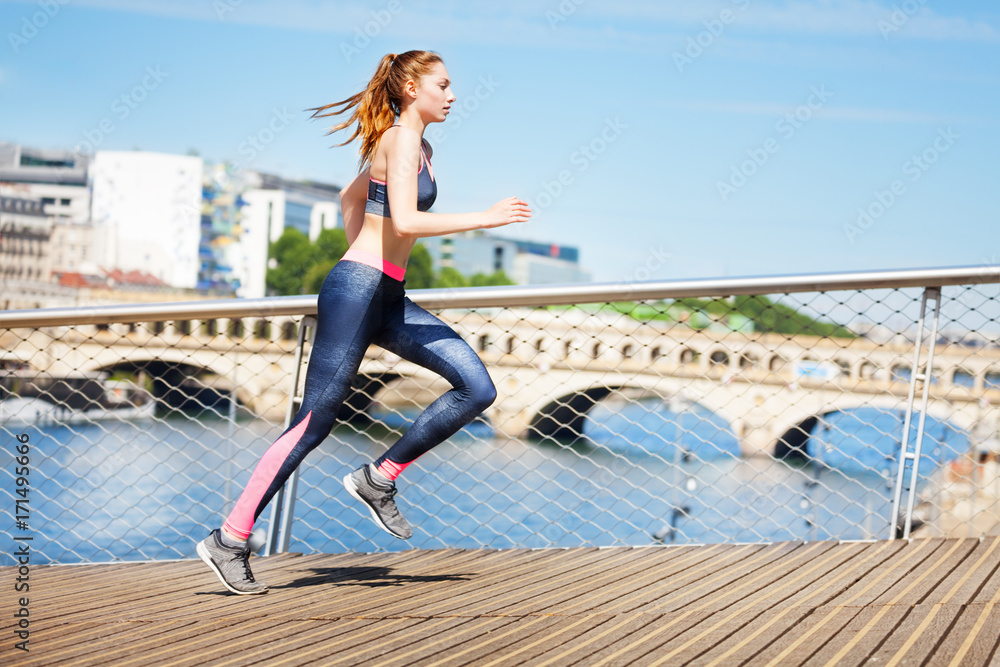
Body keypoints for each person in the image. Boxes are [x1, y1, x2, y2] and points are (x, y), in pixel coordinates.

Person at [197, 50, 532, 594]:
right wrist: (485, 219)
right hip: (358, 291)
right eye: (442, 85)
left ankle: (379, 477)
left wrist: (368, 254)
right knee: (314, 423)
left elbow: (349, 197)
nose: (452, 95)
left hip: (387, 293)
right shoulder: (399, 138)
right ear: (410, 87)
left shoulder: (420, 147)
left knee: (476, 387)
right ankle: (229, 540)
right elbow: (404, 219)